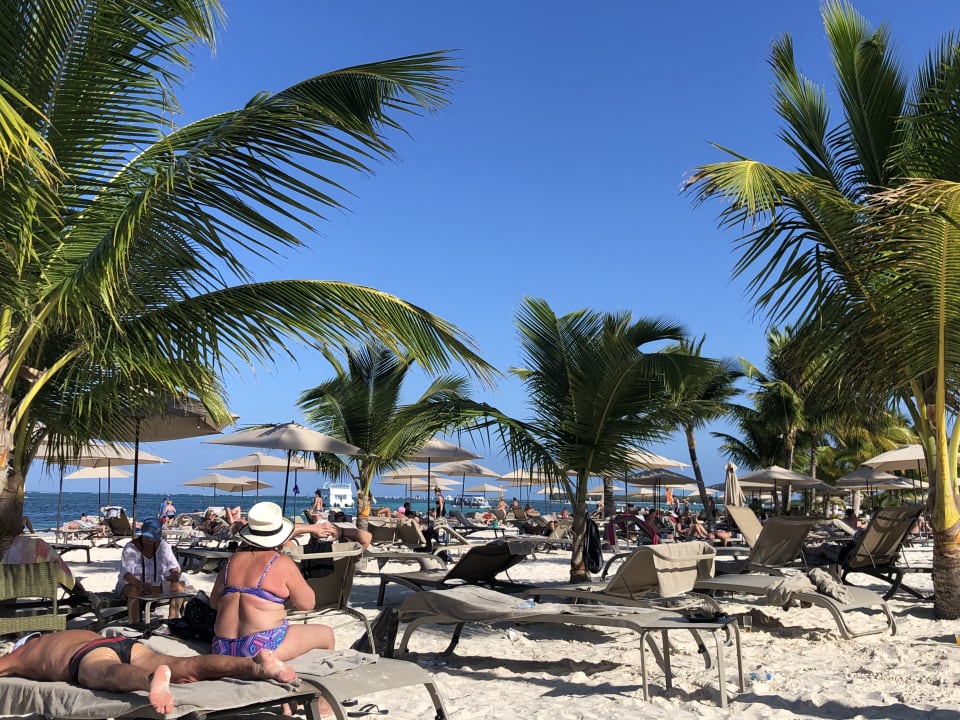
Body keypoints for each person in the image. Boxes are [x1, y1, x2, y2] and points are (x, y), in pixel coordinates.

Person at [0, 629, 296, 716]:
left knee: (106, 673)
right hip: (122, 641)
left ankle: (150, 680)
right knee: (187, 666)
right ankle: (255, 665)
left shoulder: (23, 652)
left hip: (89, 655)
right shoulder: (73, 631)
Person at [210, 502, 334, 661]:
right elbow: (307, 604)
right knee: (326, 633)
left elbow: (214, 603)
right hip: (262, 647)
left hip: (223, 646)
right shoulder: (281, 562)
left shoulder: (231, 561)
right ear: (279, 536)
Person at [116, 517, 185, 622]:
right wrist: (141, 585)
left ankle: (172, 619)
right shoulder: (131, 547)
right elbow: (126, 574)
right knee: (135, 590)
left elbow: (173, 565)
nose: (149, 540)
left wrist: (174, 574)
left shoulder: (164, 546)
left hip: (157, 585)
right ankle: (134, 623)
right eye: (147, 537)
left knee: (179, 586)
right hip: (133, 584)